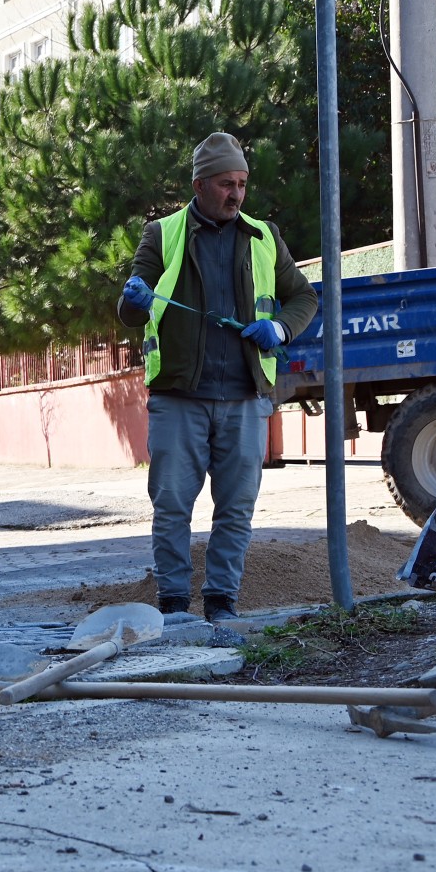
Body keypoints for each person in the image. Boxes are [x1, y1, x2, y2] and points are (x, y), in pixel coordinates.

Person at [117, 131, 318, 621]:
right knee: (171, 508)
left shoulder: (264, 236)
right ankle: (172, 605)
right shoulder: (162, 235)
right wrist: (132, 299)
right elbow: (129, 310)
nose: (236, 194)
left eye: (243, 184)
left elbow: (305, 298)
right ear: (200, 184)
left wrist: (279, 327)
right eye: (227, 183)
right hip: (179, 397)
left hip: (246, 398)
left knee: (236, 509)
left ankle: (222, 602)